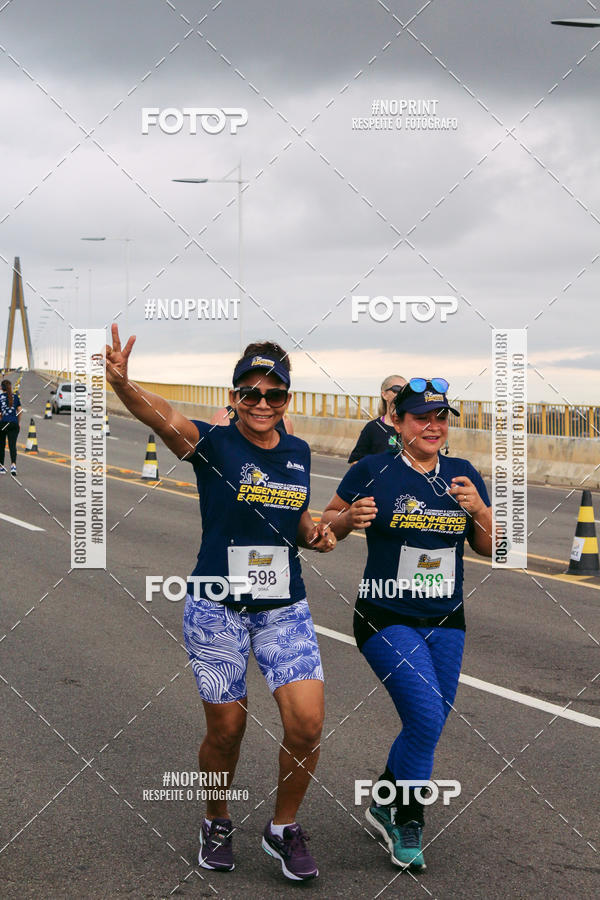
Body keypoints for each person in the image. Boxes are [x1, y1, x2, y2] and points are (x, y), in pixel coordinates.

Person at [104, 325, 335, 881]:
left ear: (286, 401)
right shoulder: (212, 444)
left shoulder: (299, 452)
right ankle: (215, 818)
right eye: (250, 393)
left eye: (273, 394)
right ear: (233, 398)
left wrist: (321, 532)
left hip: (283, 606)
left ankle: (282, 830)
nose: (261, 402)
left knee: (307, 724)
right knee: (227, 729)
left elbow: (298, 524)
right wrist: (123, 386)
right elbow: (163, 418)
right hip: (217, 607)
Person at [322, 378, 492, 871]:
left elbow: (489, 547)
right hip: (384, 614)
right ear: (396, 423)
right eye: (422, 418)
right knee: (423, 717)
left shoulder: (462, 475)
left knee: (431, 721)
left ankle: (380, 800)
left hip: (446, 618)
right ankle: (407, 816)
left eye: (441, 418)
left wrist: (479, 510)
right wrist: (349, 517)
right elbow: (324, 529)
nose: (434, 426)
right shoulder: (373, 469)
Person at [210, 342, 294, 435]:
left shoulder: (286, 426)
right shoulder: (224, 420)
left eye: (275, 396)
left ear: (287, 401)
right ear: (233, 398)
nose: (263, 405)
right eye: (250, 395)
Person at [348, 374, 406, 463]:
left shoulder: (414, 427)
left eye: (405, 391)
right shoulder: (372, 428)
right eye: (397, 389)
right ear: (384, 395)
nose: (401, 394)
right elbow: (355, 461)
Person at [0, 378, 22, 476]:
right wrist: (18, 422)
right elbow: (20, 411)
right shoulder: (15, 397)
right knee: (12, 445)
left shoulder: (0, 397)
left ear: (1, 388)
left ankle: (2, 467)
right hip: (14, 424)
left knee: (1, 445)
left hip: (3, 423)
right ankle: (13, 466)